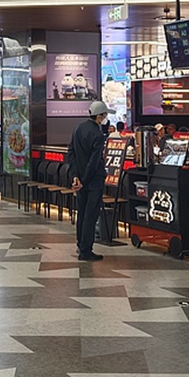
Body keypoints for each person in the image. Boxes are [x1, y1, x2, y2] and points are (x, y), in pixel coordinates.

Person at [67, 100, 114, 261]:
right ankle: (86, 250)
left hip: (79, 180)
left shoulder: (78, 129)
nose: (105, 118)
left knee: (82, 213)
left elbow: (71, 153)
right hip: (92, 182)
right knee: (91, 214)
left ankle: (81, 244)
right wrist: (85, 180)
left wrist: (75, 177)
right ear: (100, 116)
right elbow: (94, 162)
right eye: (105, 115)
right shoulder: (98, 135)